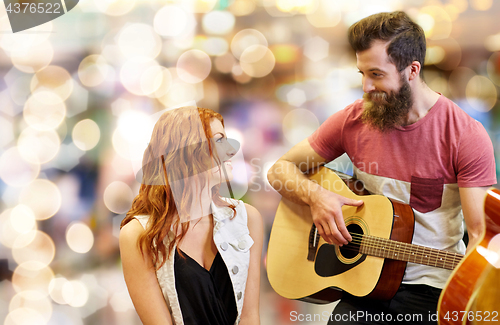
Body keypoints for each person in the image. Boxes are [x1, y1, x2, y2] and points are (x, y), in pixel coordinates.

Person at [267, 11, 496, 325]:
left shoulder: (464, 135)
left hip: (430, 288)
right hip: (364, 280)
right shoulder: (353, 119)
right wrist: (316, 198)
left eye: (376, 74)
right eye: (362, 73)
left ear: (412, 69)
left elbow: (481, 237)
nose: (365, 86)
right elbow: (279, 170)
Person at [119, 107, 263, 325]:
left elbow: (250, 317)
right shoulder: (138, 235)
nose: (232, 151)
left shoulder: (246, 218)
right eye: (219, 140)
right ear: (185, 151)